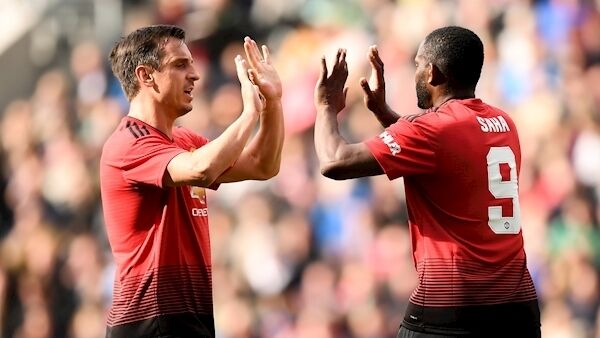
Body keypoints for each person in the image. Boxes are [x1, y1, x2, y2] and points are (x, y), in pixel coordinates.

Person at [314, 26, 540, 337]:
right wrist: (385, 114)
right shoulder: (503, 123)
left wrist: (327, 106)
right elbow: (443, 152)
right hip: (517, 309)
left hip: (450, 309)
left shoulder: (432, 130)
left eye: (418, 64)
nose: (416, 72)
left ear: (432, 72)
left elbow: (335, 161)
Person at [100, 25, 283, 338]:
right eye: (180, 65)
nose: (195, 75)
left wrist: (272, 103)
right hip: (150, 321)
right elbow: (202, 170)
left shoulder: (185, 140)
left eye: (192, 64)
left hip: (188, 316)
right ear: (146, 76)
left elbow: (262, 165)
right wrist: (248, 113)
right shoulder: (128, 143)